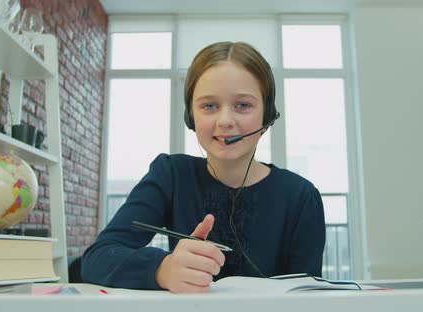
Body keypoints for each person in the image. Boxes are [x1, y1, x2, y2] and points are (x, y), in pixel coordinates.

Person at [81, 41, 326, 293]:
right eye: (209, 106)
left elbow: (305, 298)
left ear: (266, 116)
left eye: (243, 105)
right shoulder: (171, 175)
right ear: (191, 117)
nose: (225, 121)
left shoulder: (301, 197)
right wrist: (161, 269)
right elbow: (96, 259)